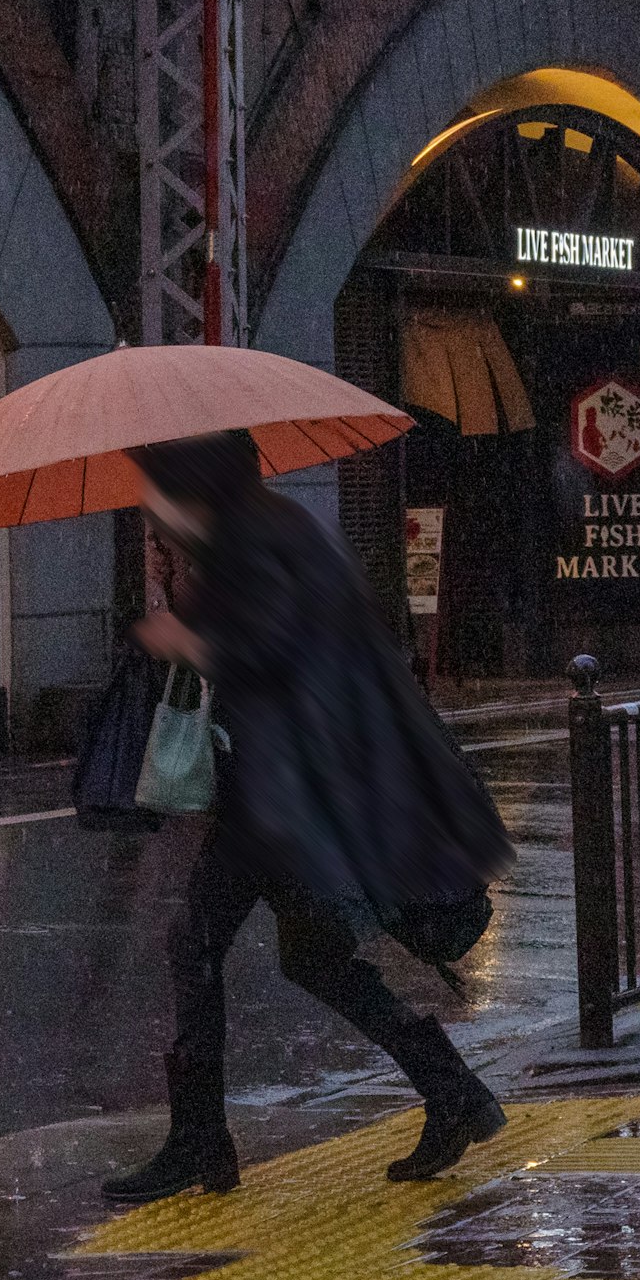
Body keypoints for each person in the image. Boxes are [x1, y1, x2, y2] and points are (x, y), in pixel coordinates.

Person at [101, 428, 516, 1206]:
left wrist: (176, 628)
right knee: (312, 959)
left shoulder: (264, 538)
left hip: (281, 797)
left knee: (194, 942)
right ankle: (453, 1089)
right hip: (282, 791)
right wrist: (169, 573)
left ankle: (200, 1139)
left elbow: (274, 655)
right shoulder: (260, 532)